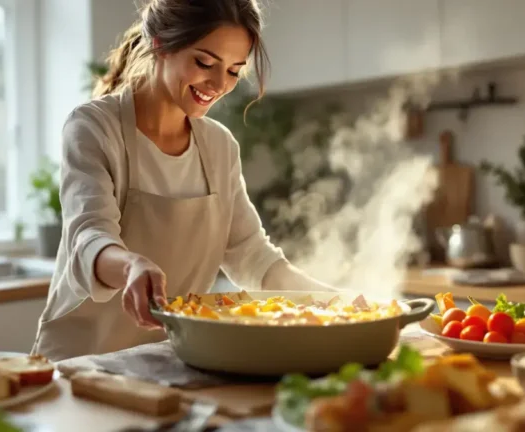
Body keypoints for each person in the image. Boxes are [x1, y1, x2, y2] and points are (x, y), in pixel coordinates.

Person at [31, 0, 336, 362]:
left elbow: (253, 257)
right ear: (161, 43)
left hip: (166, 360)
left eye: (235, 70)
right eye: (204, 63)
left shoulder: (219, 146)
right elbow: (89, 237)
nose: (220, 84)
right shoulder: (95, 127)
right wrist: (131, 266)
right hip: (81, 364)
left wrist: (338, 303)